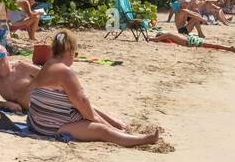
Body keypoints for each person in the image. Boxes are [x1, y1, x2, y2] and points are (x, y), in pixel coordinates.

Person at [28, 30, 160, 146]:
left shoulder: (48, 65)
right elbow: (88, 112)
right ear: (70, 52)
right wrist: (108, 126)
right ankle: (139, 140)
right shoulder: (66, 72)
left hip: (36, 121)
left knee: (82, 103)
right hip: (51, 127)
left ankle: (118, 124)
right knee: (103, 131)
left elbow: (81, 103)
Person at [0, 44, 38, 112]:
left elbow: (47, 75)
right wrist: (7, 104)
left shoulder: (23, 67)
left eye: (1, 55)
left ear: (7, 55)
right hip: (28, 112)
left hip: (42, 105)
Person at [151, 29, 235, 52]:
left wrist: (153, 39)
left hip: (191, 42)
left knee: (213, 45)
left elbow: (164, 36)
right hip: (191, 40)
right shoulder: (174, 36)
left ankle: (230, 48)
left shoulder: (171, 35)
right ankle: (230, 48)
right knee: (213, 45)